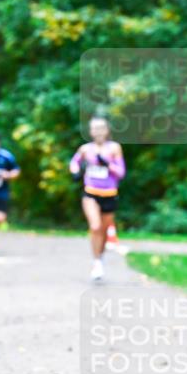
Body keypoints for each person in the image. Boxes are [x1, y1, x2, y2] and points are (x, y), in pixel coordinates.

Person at [69, 116, 125, 281]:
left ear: (107, 130)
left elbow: (121, 173)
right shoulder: (85, 149)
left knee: (104, 231)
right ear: (91, 131)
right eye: (95, 128)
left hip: (109, 194)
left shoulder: (114, 148)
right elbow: (74, 162)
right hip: (91, 193)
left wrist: (108, 165)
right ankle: (96, 262)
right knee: (95, 227)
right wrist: (75, 171)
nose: (98, 131)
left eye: (101, 128)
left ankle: (100, 258)